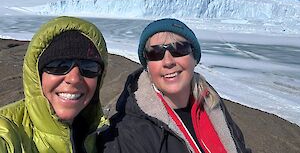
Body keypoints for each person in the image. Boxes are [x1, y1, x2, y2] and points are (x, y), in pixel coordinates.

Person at [99, 18, 251, 153]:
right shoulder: (129, 133)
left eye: (179, 49)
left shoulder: (212, 104)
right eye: (155, 53)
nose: (168, 61)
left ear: (194, 58)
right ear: (148, 66)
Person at [0, 16, 109, 153]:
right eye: (58, 65)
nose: (74, 79)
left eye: (89, 67)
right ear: (37, 75)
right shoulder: (8, 130)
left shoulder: (103, 135)